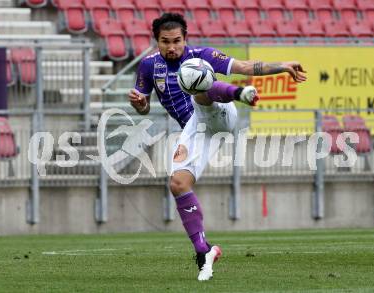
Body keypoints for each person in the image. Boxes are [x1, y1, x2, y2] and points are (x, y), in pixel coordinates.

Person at [128, 13, 307, 281]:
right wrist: (140, 105)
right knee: (178, 184)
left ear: (185, 38)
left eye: (177, 40)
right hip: (196, 129)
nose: (172, 47)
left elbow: (246, 67)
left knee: (196, 77)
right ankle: (204, 251)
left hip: (221, 112)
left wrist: (281, 66)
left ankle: (240, 93)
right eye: (165, 42)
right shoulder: (148, 66)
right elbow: (142, 107)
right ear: (157, 41)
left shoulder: (203, 55)